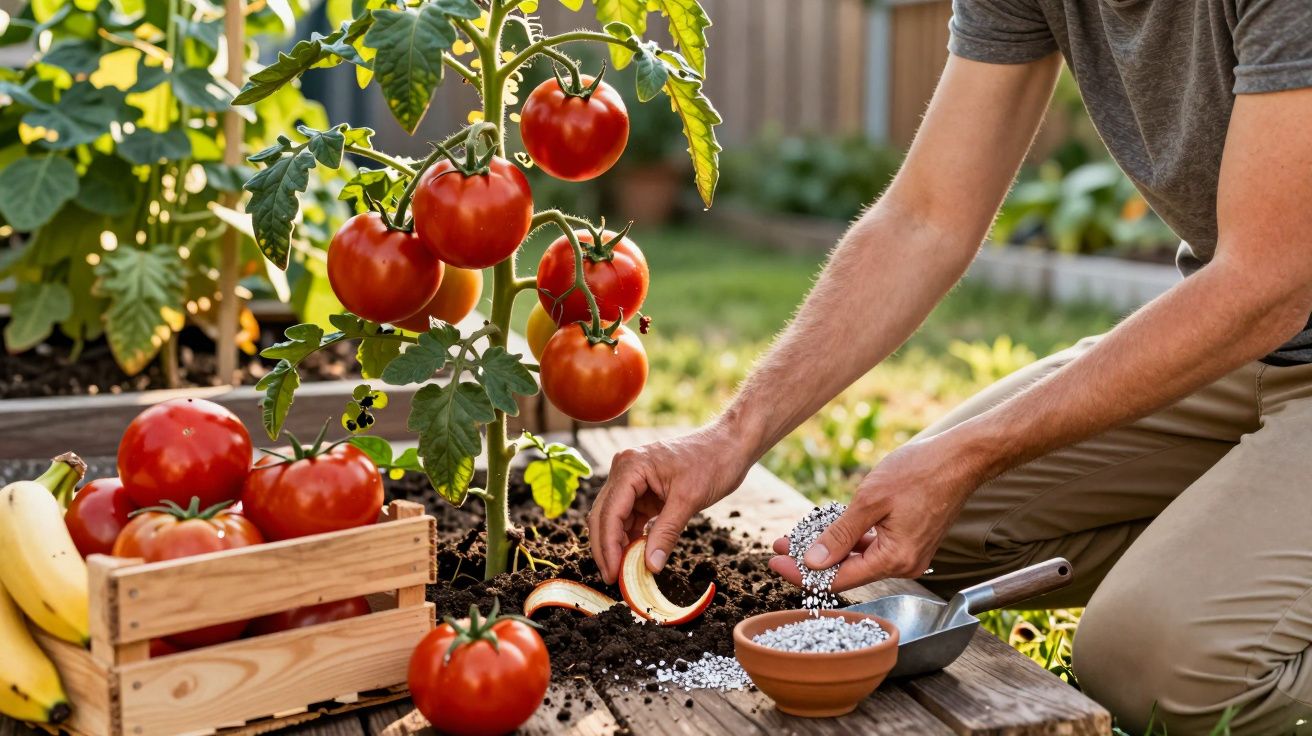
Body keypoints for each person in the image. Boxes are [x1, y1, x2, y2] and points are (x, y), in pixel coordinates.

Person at [586, 0, 1312, 732]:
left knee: (1157, 666)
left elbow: (1266, 283)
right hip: (1243, 346)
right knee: (908, 555)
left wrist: (972, 452)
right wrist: (732, 435)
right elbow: (927, 215)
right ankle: (1234, 531)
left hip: (1264, 301)